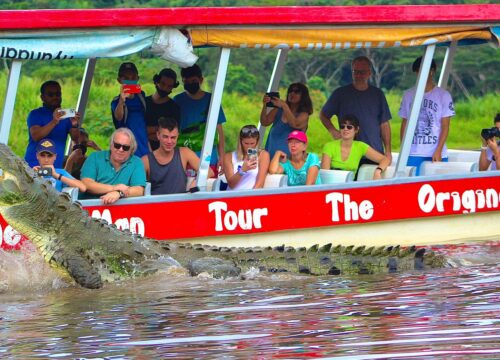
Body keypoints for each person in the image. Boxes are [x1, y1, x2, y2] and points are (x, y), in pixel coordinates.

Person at [320, 56, 392, 165]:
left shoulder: (378, 94)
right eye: (356, 71)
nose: (358, 75)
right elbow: (323, 115)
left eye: (362, 72)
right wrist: (333, 131)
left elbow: (384, 124)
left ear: (369, 73)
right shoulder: (340, 93)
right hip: (347, 154)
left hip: (374, 152)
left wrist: (388, 150)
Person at [399, 56, 455, 175]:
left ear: (432, 71)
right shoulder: (408, 95)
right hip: (413, 153)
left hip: (435, 152)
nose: (421, 74)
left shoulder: (443, 95)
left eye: (424, 70)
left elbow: (445, 126)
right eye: (418, 71)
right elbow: (404, 123)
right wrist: (403, 150)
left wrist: (439, 149)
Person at [173, 64, 226, 175]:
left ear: (201, 80)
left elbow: (220, 132)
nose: (190, 84)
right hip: (183, 160)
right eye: (186, 82)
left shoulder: (212, 100)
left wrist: (222, 156)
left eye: (193, 81)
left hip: (209, 159)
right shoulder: (177, 101)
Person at [142, 117, 211, 195]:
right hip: (155, 205)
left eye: (173, 137)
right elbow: (137, 187)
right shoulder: (146, 160)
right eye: (165, 137)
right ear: (158, 135)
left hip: (181, 204)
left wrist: (195, 182)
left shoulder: (185, 152)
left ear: (178, 136)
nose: (169, 141)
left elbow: (209, 172)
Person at [80, 128, 146, 204]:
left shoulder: (136, 162)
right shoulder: (95, 157)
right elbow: (86, 184)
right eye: (117, 145)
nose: (121, 149)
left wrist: (119, 193)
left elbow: (139, 190)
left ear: (132, 149)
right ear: (111, 145)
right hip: (89, 207)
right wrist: (114, 188)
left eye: (126, 147)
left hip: (122, 211)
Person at [24, 80, 80, 168]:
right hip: (34, 165)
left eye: (58, 94)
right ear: (42, 97)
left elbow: (75, 139)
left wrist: (74, 124)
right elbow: (36, 136)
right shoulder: (36, 114)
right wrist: (54, 121)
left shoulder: (65, 116)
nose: (55, 97)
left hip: (55, 167)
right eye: (51, 95)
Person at [321, 115, 390, 180]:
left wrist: (378, 171)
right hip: (332, 186)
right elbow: (325, 175)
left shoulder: (361, 146)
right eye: (342, 127)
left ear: (356, 130)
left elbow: (385, 160)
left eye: (349, 127)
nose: (345, 129)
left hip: (350, 186)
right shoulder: (329, 146)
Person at [260, 83, 313, 158]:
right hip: (270, 157)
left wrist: (284, 106)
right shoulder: (279, 109)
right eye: (290, 91)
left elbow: (295, 124)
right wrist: (265, 105)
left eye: (296, 92)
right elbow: (264, 122)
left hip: (289, 161)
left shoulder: (304, 114)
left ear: (303, 96)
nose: (292, 93)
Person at [111, 62, 149, 158]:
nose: (130, 80)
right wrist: (122, 101)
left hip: (144, 148)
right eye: (126, 78)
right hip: (126, 150)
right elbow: (118, 117)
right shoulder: (116, 101)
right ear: (119, 80)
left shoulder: (141, 96)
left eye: (133, 78)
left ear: (137, 79)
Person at [223, 125, 270, 190]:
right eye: (246, 143)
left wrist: (249, 198)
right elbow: (231, 184)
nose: (249, 146)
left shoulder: (263, 155)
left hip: (250, 196)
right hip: (231, 196)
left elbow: (259, 184)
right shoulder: (228, 156)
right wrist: (242, 170)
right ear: (240, 141)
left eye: (252, 143)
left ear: (257, 141)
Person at [145, 68, 181, 151]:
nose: (165, 88)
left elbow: (171, 135)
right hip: (142, 151)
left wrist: (147, 132)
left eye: (169, 86)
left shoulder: (174, 108)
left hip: (164, 153)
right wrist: (158, 129)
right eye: (163, 84)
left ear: (173, 87)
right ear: (157, 82)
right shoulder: (144, 103)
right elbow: (136, 130)